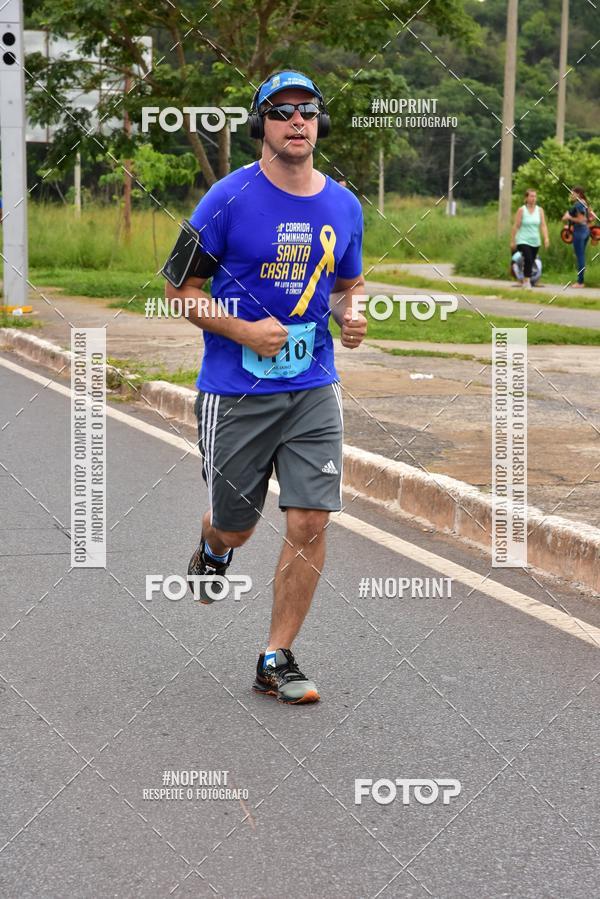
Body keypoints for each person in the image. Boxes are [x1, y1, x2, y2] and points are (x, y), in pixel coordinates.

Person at [163, 70, 367, 704]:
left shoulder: (344, 204)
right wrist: (245, 332)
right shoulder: (223, 200)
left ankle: (276, 656)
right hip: (236, 391)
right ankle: (212, 546)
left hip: (313, 385)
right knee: (238, 526)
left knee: (309, 519)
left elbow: (344, 285)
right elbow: (177, 294)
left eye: (307, 110)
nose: (297, 121)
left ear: (320, 123)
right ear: (262, 127)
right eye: (281, 113)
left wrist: (352, 314)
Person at [510, 188, 549, 288]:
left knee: (531, 260)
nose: (533, 198)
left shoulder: (539, 210)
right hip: (522, 239)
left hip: (535, 241)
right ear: (526, 198)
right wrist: (513, 240)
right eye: (531, 196)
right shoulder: (521, 210)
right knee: (528, 257)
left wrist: (546, 238)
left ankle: (524, 278)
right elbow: (516, 225)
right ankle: (526, 281)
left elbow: (543, 225)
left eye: (535, 196)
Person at [562, 186, 593, 287]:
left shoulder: (579, 204)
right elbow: (590, 218)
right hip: (585, 231)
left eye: (572, 193)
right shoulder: (585, 203)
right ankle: (581, 279)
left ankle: (580, 282)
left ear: (578, 194)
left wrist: (568, 217)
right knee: (580, 255)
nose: (571, 195)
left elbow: (581, 220)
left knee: (580, 257)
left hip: (579, 232)